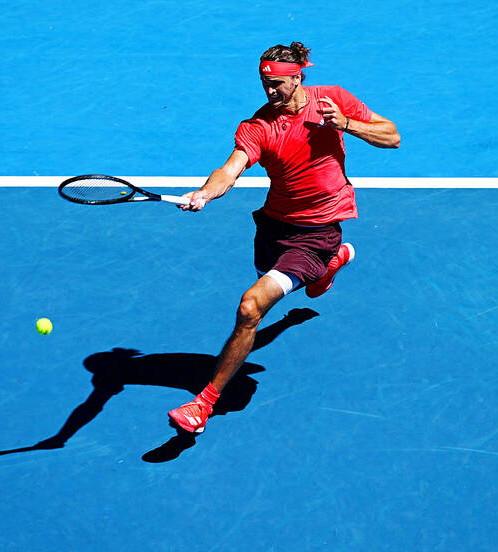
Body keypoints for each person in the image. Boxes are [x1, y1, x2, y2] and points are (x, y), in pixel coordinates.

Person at [168, 41, 400, 434]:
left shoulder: (332, 100)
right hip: (275, 227)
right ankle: (328, 267)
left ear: (298, 77)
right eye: (265, 84)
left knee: (250, 308)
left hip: (318, 232)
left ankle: (202, 404)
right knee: (267, 278)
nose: (270, 91)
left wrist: (345, 123)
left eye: (277, 83)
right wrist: (205, 192)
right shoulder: (258, 127)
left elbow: (392, 137)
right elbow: (230, 169)